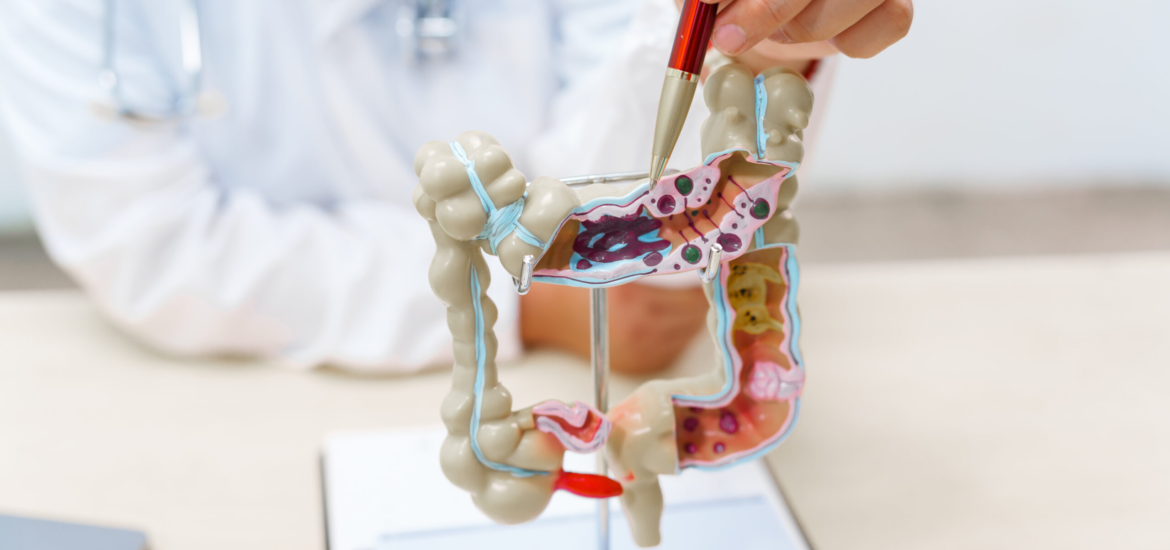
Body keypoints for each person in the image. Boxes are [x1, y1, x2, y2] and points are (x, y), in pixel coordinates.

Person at [0, 0, 910, 374]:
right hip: (239, 404)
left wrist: (761, 46)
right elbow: (151, 240)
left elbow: (635, 232)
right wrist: (518, 302)